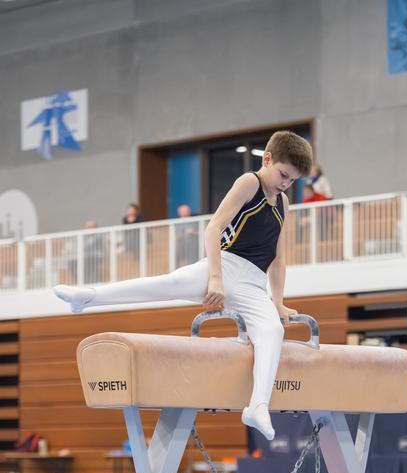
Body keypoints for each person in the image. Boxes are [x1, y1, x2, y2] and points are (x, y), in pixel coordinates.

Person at [53, 130, 313, 441]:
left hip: (253, 285)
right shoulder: (250, 183)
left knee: (273, 331)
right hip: (225, 264)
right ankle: (88, 297)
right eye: (284, 174)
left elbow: (279, 260)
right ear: (267, 159)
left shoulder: (283, 203)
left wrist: (279, 301)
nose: (286, 183)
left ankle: (257, 406)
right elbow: (214, 227)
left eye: (293, 180)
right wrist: (215, 276)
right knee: (169, 284)